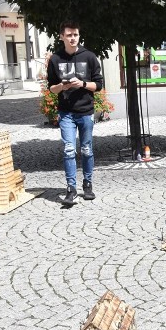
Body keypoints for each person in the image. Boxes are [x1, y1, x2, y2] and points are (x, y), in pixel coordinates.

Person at [46, 21, 104, 207]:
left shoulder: (89, 57)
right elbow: (52, 89)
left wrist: (83, 84)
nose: (72, 38)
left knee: (87, 149)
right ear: (61, 36)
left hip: (85, 111)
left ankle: (87, 184)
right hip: (66, 113)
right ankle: (71, 189)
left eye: (75, 35)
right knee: (69, 150)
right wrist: (63, 86)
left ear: (79, 36)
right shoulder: (56, 59)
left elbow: (99, 85)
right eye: (69, 35)